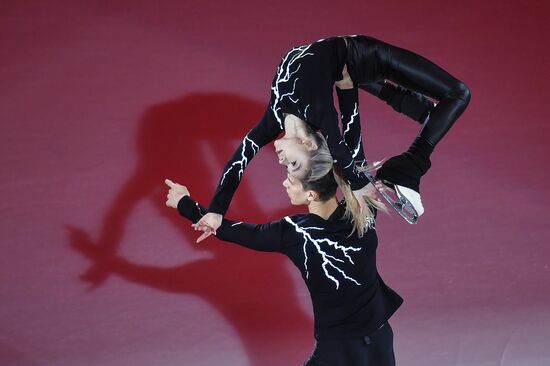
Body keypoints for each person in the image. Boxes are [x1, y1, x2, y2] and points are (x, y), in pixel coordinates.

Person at [195, 34, 470, 241]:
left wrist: (217, 210)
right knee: (459, 94)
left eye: (289, 167)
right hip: (366, 57)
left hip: (346, 69)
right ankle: (411, 162)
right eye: (293, 164)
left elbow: (237, 162)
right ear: (309, 144)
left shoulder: (273, 120)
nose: (281, 162)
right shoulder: (318, 112)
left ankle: (414, 121)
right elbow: (342, 139)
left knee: (431, 116)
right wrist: (359, 182)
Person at [165, 164, 402, 365]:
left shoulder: (295, 231)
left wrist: (183, 203)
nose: (284, 184)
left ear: (311, 195)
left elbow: (229, 230)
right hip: (380, 338)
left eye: (291, 180)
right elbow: (379, 177)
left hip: (337, 349)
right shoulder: (362, 211)